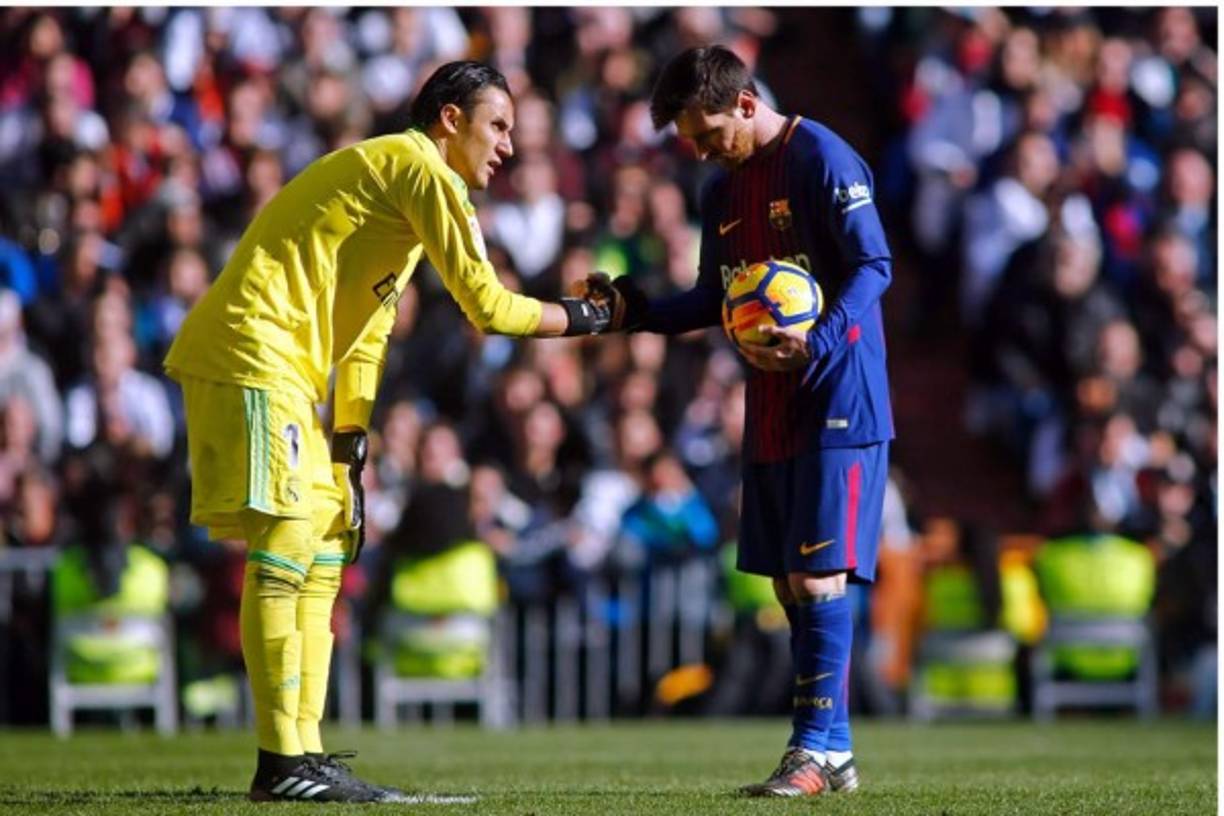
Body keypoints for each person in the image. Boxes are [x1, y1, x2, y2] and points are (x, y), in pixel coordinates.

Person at [163, 61, 613, 804]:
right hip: (252, 353)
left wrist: (350, 449)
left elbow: (367, 335)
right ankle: (281, 760)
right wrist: (590, 317)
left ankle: (302, 752)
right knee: (286, 546)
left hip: (288, 373)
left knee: (328, 542)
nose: (508, 145)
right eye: (496, 126)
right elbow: (488, 307)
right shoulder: (418, 168)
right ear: (449, 121)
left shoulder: (395, 195)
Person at [577, 45, 893, 796]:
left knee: (818, 578)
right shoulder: (722, 193)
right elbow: (711, 299)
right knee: (789, 584)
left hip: (838, 396)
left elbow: (873, 264)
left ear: (746, 104)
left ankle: (813, 751)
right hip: (771, 397)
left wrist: (817, 340)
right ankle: (836, 751)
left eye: (708, 132)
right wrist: (634, 308)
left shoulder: (823, 158)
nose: (700, 149)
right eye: (690, 139)